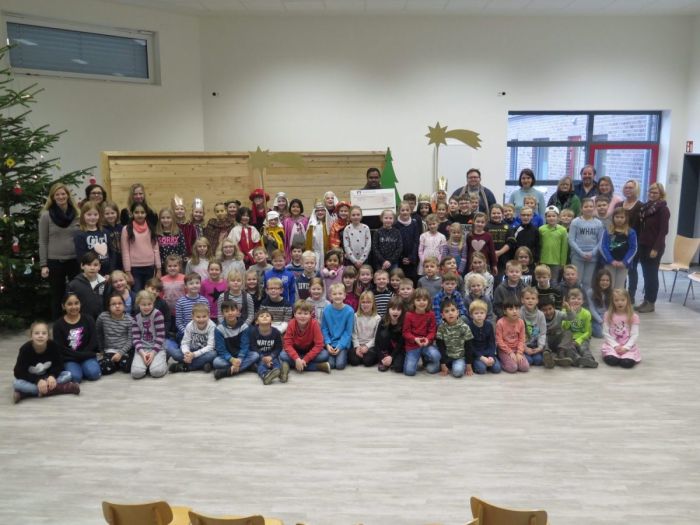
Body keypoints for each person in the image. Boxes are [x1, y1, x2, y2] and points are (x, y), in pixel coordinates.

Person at [39, 183, 81, 320]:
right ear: (53, 197)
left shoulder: (77, 214)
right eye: (57, 194)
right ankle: (58, 325)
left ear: (68, 195)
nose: (61, 196)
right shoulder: (46, 216)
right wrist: (43, 264)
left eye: (63, 194)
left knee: (76, 293)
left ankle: (76, 322)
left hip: (74, 260)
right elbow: (43, 241)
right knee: (57, 295)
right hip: (55, 262)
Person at [12, 321, 80, 404]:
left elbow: (59, 365)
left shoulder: (53, 346)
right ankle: (63, 388)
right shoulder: (25, 349)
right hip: (32, 379)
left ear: (48, 336)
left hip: (48, 378)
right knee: (16, 383)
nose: (40, 336)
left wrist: (52, 376)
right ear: (31, 336)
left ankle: (24, 393)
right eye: (37, 333)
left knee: (67, 375)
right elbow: (18, 372)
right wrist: (37, 380)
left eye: (44, 333)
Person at [635, 182, 670, 313]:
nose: (652, 194)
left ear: (661, 194)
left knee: (652, 275)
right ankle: (646, 300)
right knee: (646, 275)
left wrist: (655, 248)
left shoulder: (663, 209)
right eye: (650, 191)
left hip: (654, 247)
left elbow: (663, 231)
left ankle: (651, 302)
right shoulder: (646, 208)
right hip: (643, 245)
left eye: (655, 192)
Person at [52, 292, 101, 383]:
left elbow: (94, 341)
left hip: (87, 356)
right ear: (63, 306)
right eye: (69, 304)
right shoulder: (58, 325)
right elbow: (60, 348)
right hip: (69, 358)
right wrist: (77, 356)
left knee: (94, 374)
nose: (74, 307)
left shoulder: (88, 319)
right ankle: (78, 369)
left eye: (76, 303)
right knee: (75, 378)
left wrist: (83, 355)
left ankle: (84, 367)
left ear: (80, 304)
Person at [280, 300, 331, 380]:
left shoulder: (314, 324)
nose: (302, 316)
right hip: (296, 351)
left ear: (310, 315)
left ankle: (294, 364)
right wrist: (296, 358)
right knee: (283, 355)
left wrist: (305, 359)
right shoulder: (291, 323)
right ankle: (317, 366)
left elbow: (319, 344)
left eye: (306, 313)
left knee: (324, 355)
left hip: (309, 350)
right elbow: (287, 344)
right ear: (294, 314)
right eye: (299, 313)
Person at [120, 202, 161, 293]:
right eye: (136, 212)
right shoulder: (126, 229)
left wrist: (158, 269)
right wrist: (128, 272)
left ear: (146, 213)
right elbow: (125, 251)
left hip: (150, 267)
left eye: (142, 212)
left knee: (149, 293)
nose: (140, 215)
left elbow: (156, 249)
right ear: (132, 213)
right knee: (137, 293)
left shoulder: (151, 228)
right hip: (134, 269)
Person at [213, 301, 258, 380]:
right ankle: (248, 366)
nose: (230, 313)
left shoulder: (244, 326)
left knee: (255, 355)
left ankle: (227, 372)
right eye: (226, 311)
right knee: (216, 362)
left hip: (241, 355)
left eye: (233, 310)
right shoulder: (219, 329)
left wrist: (240, 359)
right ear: (223, 314)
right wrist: (231, 359)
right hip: (228, 356)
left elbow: (245, 346)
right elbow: (221, 349)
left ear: (238, 312)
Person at [615, 179, 643, 303]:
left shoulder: (641, 206)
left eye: (631, 188)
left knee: (632, 270)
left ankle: (631, 296)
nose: (628, 190)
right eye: (626, 187)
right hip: (618, 243)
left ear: (636, 189)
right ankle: (621, 294)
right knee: (621, 270)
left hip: (633, 243)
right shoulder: (618, 205)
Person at [402, 288, 441, 376]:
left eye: (424, 300)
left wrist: (428, 339)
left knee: (436, 357)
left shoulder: (431, 314)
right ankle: (415, 360)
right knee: (409, 372)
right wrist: (415, 339)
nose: (421, 302)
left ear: (428, 301)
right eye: (418, 300)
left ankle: (429, 361)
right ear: (413, 301)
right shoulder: (409, 315)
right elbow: (406, 332)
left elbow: (432, 331)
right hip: (413, 346)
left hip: (426, 344)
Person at [169, 302, 216, 373]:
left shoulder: (212, 326)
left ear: (209, 316)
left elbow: (210, 346)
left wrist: (194, 355)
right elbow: (185, 343)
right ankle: (202, 364)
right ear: (193, 317)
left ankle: (185, 367)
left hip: (204, 352)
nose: (201, 319)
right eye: (198, 317)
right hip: (191, 351)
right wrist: (187, 353)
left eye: (204, 316)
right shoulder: (190, 326)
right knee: (175, 354)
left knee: (213, 354)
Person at [568, 198, 604, 290]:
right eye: (586, 206)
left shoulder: (598, 223)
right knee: (577, 280)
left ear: (594, 208)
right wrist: (581, 253)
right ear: (581, 208)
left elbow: (600, 241)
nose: (589, 208)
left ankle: (586, 299)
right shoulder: (575, 222)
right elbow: (571, 240)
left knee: (587, 281)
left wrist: (592, 253)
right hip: (577, 256)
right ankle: (575, 297)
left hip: (592, 256)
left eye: (591, 206)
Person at [131, 290, 168, 379]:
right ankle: (148, 365)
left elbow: (160, 336)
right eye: (143, 304)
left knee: (156, 372)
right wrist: (142, 354)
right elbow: (136, 339)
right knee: (136, 373)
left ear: (153, 303)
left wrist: (153, 353)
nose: (147, 307)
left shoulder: (157, 315)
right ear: (139, 304)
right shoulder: (136, 319)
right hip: (142, 349)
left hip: (157, 348)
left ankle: (160, 363)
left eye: (149, 304)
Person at [601, 289, 641, 368]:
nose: (620, 302)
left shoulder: (633, 316)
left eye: (623, 300)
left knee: (626, 363)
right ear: (613, 302)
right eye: (616, 300)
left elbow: (634, 334)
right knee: (612, 361)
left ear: (627, 301)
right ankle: (613, 355)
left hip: (627, 346)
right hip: (612, 345)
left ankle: (626, 357)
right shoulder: (608, 315)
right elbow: (605, 333)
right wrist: (615, 346)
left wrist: (626, 347)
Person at [97, 292, 133, 375]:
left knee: (128, 367)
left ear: (124, 305)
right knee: (104, 368)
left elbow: (130, 340)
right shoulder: (102, 317)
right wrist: (101, 350)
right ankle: (113, 363)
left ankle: (116, 364)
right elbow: (99, 334)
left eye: (120, 303)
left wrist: (120, 353)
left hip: (124, 351)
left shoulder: (130, 320)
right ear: (108, 307)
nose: (117, 306)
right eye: (113, 304)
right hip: (109, 350)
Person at [601, 207, 638, 289]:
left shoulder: (631, 232)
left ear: (626, 218)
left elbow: (633, 248)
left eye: (622, 217)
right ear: (613, 218)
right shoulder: (608, 230)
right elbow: (603, 246)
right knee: (609, 286)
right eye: (617, 217)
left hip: (623, 264)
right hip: (609, 263)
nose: (619, 219)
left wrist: (624, 262)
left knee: (619, 287)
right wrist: (611, 260)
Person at [436, 299, 474, 378]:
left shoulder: (464, 327)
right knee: (431, 369)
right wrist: (442, 364)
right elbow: (441, 347)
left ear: (457, 312)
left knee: (457, 372)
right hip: (446, 357)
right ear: (442, 315)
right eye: (447, 311)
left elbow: (469, 347)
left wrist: (469, 364)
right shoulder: (441, 328)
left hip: (459, 357)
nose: (450, 313)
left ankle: (457, 365)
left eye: (453, 310)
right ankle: (448, 366)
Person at [321, 283, 354, 370]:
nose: (337, 296)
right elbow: (324, 329)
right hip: (330, 343)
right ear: (330, 296)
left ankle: (345, 354)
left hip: (342, 343)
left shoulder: (349, 311)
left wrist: (340, 346)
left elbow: (348, 332)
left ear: (344, 295)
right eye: (334, 294)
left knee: (340, 365)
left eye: (340, 293)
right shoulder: (326, 310)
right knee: (331, 365)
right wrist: (327, 344)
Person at [562, 288, 598, 368]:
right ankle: (577, 360)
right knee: (569, 349)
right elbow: (564, 328)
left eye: (579, 299)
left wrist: (578, 340)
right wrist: (570, 314)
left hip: (582, 337)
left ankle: (589, 359)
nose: (576, 301)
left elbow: (588, 332)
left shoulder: (586, 313)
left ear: (582, 301)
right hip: (569, 338)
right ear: (568, 301)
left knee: (583, 348)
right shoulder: (564, 312)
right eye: (573, 298)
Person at [67, 252, 106, 321]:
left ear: (99, 266)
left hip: (101, 321)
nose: (92, 268)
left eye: (95, 265)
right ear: (82, 266)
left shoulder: (105, 283)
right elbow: (68, 305)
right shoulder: (73, 285)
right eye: (88, 264)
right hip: (82, 321)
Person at [74, 201, 110, 275]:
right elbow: (81, 258)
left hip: (107, 273)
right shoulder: (79, 235)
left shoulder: (105, 232)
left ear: (99, 215)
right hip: (90, 273)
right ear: (83, 216)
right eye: (89, 214)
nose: (92, 217)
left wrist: (110, 272)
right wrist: (95, 272)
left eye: (95, 214)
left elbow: (111, 253)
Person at [539, 297, 576, 369]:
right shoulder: (539, 316)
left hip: (558, 340)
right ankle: (547, 355)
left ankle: (560, 352)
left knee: (568, 332)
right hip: (546, 342)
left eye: (550, 309)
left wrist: (568, 308)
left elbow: (572, 318)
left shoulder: (559, 314)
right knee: (541, 336)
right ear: (540, 311)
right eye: (544, 310)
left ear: (554, 308)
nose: (548, 312)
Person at [249, 308, 283, 385]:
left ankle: (281, 374)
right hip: (260, 356)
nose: (264, 317)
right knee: (261, 366)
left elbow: (279, 347)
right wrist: (262, 357)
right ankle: (265, 375)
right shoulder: (253, 332)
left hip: (271, 356)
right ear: (256, 321)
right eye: (261, 316)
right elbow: (253, 347)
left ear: (272, 321)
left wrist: (271, 356)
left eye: (267, 316)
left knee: (276, 363)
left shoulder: (276, 332)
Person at [495, 298, 529, 373]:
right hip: (504, 350)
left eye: (517, 308)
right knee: (513, 368)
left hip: (516, 349)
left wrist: (519, 352)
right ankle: (500, 361)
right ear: (505, 311)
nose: (514, 311)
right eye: (511, 309)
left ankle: (515, 359)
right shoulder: (500, 323)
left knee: (525, 367)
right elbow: (499, 341)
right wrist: (510, 352)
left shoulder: (521, 322)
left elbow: (522, 339)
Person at [349, 290, 381, 367]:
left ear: (373, 304)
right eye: (363, 302)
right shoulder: (356, 316)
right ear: (360, 303)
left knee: (368, 361)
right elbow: (354, 333)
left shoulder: (377, 318)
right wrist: (357, 346)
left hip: (370, 346)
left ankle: (366, 357)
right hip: (358, 344)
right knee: (354, 361)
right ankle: (361, 356)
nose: (365, 305)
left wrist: (367, 346)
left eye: (368, 302)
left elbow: (376, 337)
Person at [468, 299, 500, 374]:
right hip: (476, 355)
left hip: (488, 353)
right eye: (476, 313)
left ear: (486, 314)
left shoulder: (489, 325)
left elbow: (492, 343)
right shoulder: (469, 326)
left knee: (497, 369)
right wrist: (481, 358)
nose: (479, 315)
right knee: (482, 369)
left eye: (482, 313)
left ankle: (488, 362)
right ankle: (478, 364)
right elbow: (470, 346)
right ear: (471, 315)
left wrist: (491, 356)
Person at [175, 272, 209, 341]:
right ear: (185, 286)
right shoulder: (180, 302)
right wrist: (188, 333)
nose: (194, 285)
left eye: (197, 283)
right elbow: (179, 322)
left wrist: (200, 333)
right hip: (185, 333)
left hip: (201, 332)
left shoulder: (205, 301)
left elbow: (207, 319)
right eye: (191, 283)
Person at [375, 297, 406, 372]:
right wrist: (382, 357)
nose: (395, 312)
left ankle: (390, 361)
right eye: (393, 309)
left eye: (398, 309)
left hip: (397, 350)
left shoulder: (403, 323)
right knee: (384, 333)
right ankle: (385, 359)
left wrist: (392, 357)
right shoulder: (383, 321)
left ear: (402, 311)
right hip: (385, 350)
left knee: (398, 368)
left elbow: (401, 344)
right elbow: (377, 341)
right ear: (388, 309)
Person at [539, 206, 568, 283]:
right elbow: (539, 245)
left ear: (558, 217)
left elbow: (564, 248)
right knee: (543, 280)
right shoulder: (541, 229)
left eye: (553, 216)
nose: (551, 218)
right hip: (543, 260)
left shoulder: (563, 230)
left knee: (554, 281)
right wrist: (538, 259)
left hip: (556, 262)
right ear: (545, 218)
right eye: (549, 216)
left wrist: (563, 263)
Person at [520, 287, 546, 366]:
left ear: (537, 300)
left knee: (538, 361)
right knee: (529, 361)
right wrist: (524, 348)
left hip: (535, 345)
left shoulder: (541, 315)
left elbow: (542, 333)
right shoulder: (519, 313)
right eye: (527, 298)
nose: (530, 301)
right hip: (523, 346)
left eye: (533, 298)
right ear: (522, 300)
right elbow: (517, 334)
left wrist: (540, 347)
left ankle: (545, 354)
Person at [395, 201, 421, 283]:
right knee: (401, 279)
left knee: (412, 280)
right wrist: (402, 257)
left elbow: (416, 241)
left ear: (410, 211)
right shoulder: (395, 225)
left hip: (412, 258)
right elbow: (396, 243)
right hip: (400, 258)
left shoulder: (414, 224)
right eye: (402, 210)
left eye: (407, 210)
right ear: (399, 211)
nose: (405, 212)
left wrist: (411, 257)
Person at [343, 205, 372, 269]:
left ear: (361, 216)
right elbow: (346, 246)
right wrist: (354, 261)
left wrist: (361, 260)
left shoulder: (366, 228)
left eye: (358, 215)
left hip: (363, 260)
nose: (356, 217)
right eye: (353, 215)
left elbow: (368, 245)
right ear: (350, 216)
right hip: (350, 260)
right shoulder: (347, 229)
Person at [305, 202, 330, 273]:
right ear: (314, 212)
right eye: (318, 211)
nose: (320, 212)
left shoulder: (328, 224)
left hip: (326, 253)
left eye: (322, 210)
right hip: (315, 253)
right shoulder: (311, 226)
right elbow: (308, 242)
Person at [587, 269, 613, 339]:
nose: (605, 282)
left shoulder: (611, 293)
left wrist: (608, 319)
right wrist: (601, 321)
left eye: (607, 280)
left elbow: (611, 308)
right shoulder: (591, 292)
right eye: (602, 280)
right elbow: (591, 309)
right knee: (600, 334)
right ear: (598, 280)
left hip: (607, 317)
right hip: (595, 318)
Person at [283, 198, 308, 263]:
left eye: (297, 207)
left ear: (301, 208)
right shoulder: (286, 221)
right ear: (290, 208)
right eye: (293, 207)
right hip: (290, 249)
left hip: (303, 248)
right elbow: (285, 237)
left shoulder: (305, 220)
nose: (295, 209)